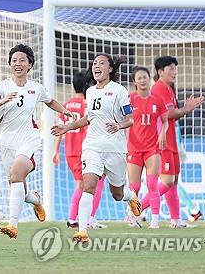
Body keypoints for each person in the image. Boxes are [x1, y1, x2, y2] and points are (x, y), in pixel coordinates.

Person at [0, 44, 71, 239]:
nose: (18, 64)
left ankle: (12, 224)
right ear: (9, 64)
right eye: (14, 61)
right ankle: (34, 198)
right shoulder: (1, 87)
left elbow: (50, 101)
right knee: (16, 182)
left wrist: (64, 110)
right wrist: (1, 101)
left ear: (30, 64)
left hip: (28, 140)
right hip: (5, 142)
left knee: (16, 174)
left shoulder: (36, 88)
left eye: (22, 60)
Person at [51, 53, 141, 243]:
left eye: (101, 63)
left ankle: (131, 197)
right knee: (88, 186)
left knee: (117, 194)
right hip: (92, 146)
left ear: (110, 69)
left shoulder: (119, 91)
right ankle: (82, 231)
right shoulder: (90, 92)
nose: (96, 66)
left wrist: (119, 125)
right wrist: (67, 127)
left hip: (114, 148)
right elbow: (88, 118)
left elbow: (130, 119)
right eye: (94, 63)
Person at [139, 56, 204, 228]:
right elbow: (168, 114)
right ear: (161, 72)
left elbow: (172, 113)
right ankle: (135, 210)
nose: (175, 72)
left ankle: (175, 220)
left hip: (172, 141)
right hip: (162, 141)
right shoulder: (159, 88)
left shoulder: (168, 89)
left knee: (173, 183)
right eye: (171, 69)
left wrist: (184, 109)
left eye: (175, 69)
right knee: (167, 181)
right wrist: (186, 109)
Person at [52, 70, 106, 229]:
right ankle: (81, 218)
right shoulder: (88, 104)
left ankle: (76, 218)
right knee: (88, 185)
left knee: (81, 184)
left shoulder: (67, 104)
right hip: (85, 151)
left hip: (70, 151)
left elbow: (61, 129)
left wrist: (56, 151)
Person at [126, 66, 168, 229]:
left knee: (152, 184)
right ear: (134, 81)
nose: (142, 80)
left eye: (145, 77)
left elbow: (165, 122)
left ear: (149, 79)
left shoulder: (157, 100)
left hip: (152, 148)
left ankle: (155, 220)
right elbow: (124, 119)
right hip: (134, 148)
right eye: (139, 78)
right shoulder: (130, 99)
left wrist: (163, 133)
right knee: (134, 187)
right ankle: (133, 216)